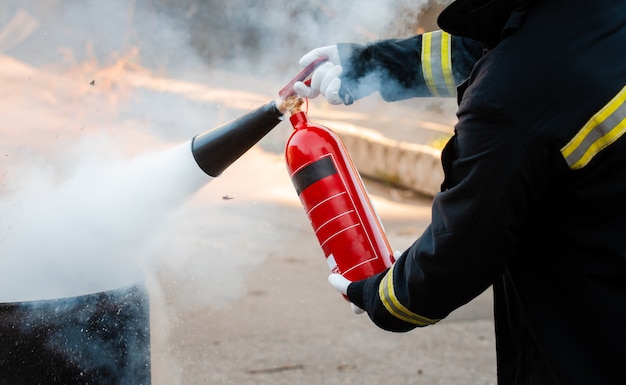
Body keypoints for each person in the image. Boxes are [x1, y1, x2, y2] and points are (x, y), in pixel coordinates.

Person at [294, 0, 626, 384]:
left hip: (594, 332)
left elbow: (464, 247)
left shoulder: (510, 95)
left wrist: (382, 294)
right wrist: (367, 64)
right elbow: (482, 46)